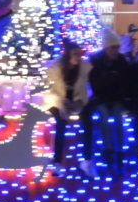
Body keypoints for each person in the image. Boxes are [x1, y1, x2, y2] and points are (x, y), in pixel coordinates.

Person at [78, 28, 131, 177]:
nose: (115, 51)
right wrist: (107, 76)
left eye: (117, 48)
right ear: (106, 47)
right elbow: (93, 83)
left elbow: (126, 82)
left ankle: (119, 153)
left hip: (116, 99)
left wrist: (122, 97)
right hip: (100, 98)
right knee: (104, 118)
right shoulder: (96, 60)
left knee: (119, 120)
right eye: (113, 48)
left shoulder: (121, 61)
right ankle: (108, 152)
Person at [45, 40, 91, 168]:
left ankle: (87, 160)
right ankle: (57, 160)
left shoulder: (83, 68)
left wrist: (80, 101)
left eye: (79, 54)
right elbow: (49, 91)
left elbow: (86, 88)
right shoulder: (55, 68)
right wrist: (61, 102)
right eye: (75, 54)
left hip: (76, 100)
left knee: (88, 120)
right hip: (56, 100)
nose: (78, 57)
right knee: (60, 122)